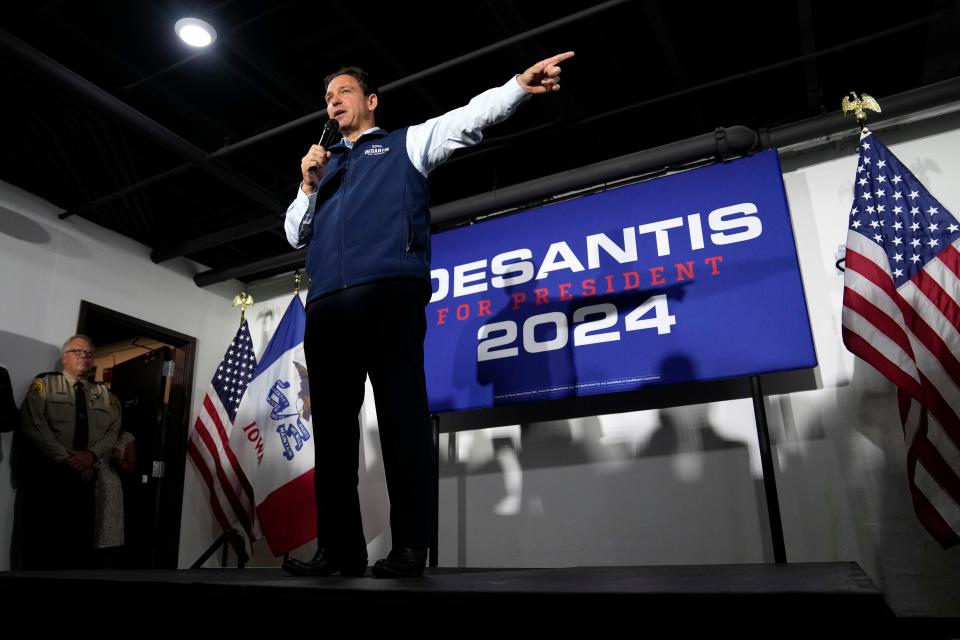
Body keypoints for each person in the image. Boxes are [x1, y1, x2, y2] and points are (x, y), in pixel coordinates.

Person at [282, 52, 574, 578]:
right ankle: (339, 551)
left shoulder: (407, 144)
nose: (333, 102)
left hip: (389, 297)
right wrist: (306, 185)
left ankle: (410, 548)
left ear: (370, 101)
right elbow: (293, 234)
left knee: (402, 423)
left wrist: (517, 86)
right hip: (326, 308)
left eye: (343, 92)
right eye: (328, 98)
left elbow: (469, 116)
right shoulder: (322, 171)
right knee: (332, 434)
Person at [16, 334, 121, 569]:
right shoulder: (44, 385)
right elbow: (34, 425)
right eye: (77, 351)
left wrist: (91, 456)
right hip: (47, 477)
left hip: (85, 480)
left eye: (89, 353)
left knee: (77, 546)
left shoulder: (106, 396)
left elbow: (112, 432)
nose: (84, 356)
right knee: (40, 545)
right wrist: (70, 459)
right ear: (64, 358)